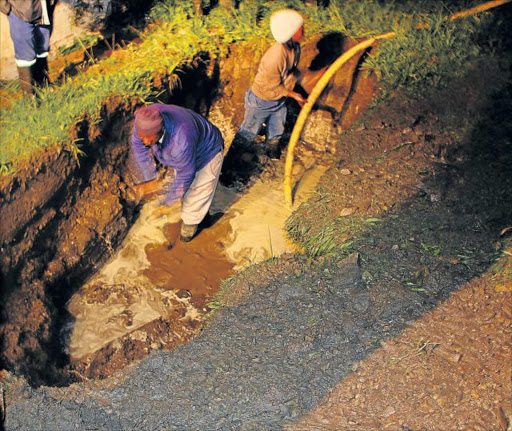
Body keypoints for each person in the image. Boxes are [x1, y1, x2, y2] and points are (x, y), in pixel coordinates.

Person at [129, 104, 225, 242]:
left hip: (207, 153)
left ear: (160, 130)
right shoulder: (143, 121)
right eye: (141, 137)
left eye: (148, 138)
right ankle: (202, 214)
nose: (144, 141)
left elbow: (186, 175)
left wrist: (168, 204)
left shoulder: (180, 140)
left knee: (198, 189)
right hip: (185, 151)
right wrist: (150, 179)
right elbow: (139, 147)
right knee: (185, 190)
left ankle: (189, 231)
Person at [234, 8, 307, 160]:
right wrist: (295, 95)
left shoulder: (295, 48)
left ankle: (271, 149)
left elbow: (290, 72)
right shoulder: (275, 56)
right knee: (248, 132)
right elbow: (272, 85)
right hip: (261, 100)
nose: (304, 29)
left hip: (278, 99)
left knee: (277, 126)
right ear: (291, 33)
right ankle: (229, 163)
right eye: (301, 28)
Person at [0, 0, 55, 94]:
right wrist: (6, 7)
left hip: (44, 7)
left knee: (42, 46)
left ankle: (43, 84)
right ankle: (29, 94)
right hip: (19, 10)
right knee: (25, 52)